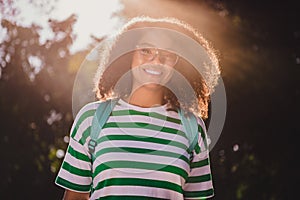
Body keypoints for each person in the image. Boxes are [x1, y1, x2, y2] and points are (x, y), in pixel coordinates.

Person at [55, 16, 220, 200]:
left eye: (168, 54)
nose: (156, 61)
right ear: (129, 55)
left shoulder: (192, 127)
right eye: (146, 50)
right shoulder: (91, 119)